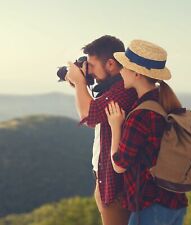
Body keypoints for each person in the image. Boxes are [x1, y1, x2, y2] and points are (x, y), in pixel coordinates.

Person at [105, 40, 188, 225]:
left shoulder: (141, 115)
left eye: (124, 67)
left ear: (136, 73)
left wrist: (115, 126)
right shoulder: (166, 103)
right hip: (176, 202)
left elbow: (119, 165)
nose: (120, 71)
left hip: (152, 206)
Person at [65, 35, 138, 225]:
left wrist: (80, 83)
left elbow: (88, 116)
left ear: (111, 64)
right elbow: (92, 109)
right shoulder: (111, 87)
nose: (91, 71)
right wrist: (80, 84)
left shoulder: (124, 88)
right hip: (104, 177)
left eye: (93, 65)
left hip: (117, 186)